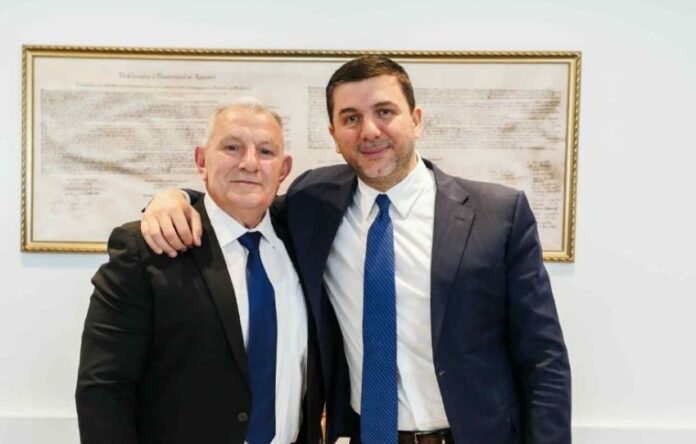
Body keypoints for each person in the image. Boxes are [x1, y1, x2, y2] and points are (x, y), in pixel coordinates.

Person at [142, 56, 571, 443]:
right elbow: (244, 201)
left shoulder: (498, 215)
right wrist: (174, 199)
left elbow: (544, 360)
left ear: (416, 120)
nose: (369, 131)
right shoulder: (314, 203)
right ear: (333, 135)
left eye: (385, 112)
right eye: (351, 118)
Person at [76, 99, 323, 444]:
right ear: (202, 160)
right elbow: (103, 388)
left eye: (266, 152)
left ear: (283, 170)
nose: (249, 163)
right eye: (232, 147)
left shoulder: (304, 240)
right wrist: (170, 196)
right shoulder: (146, 250)